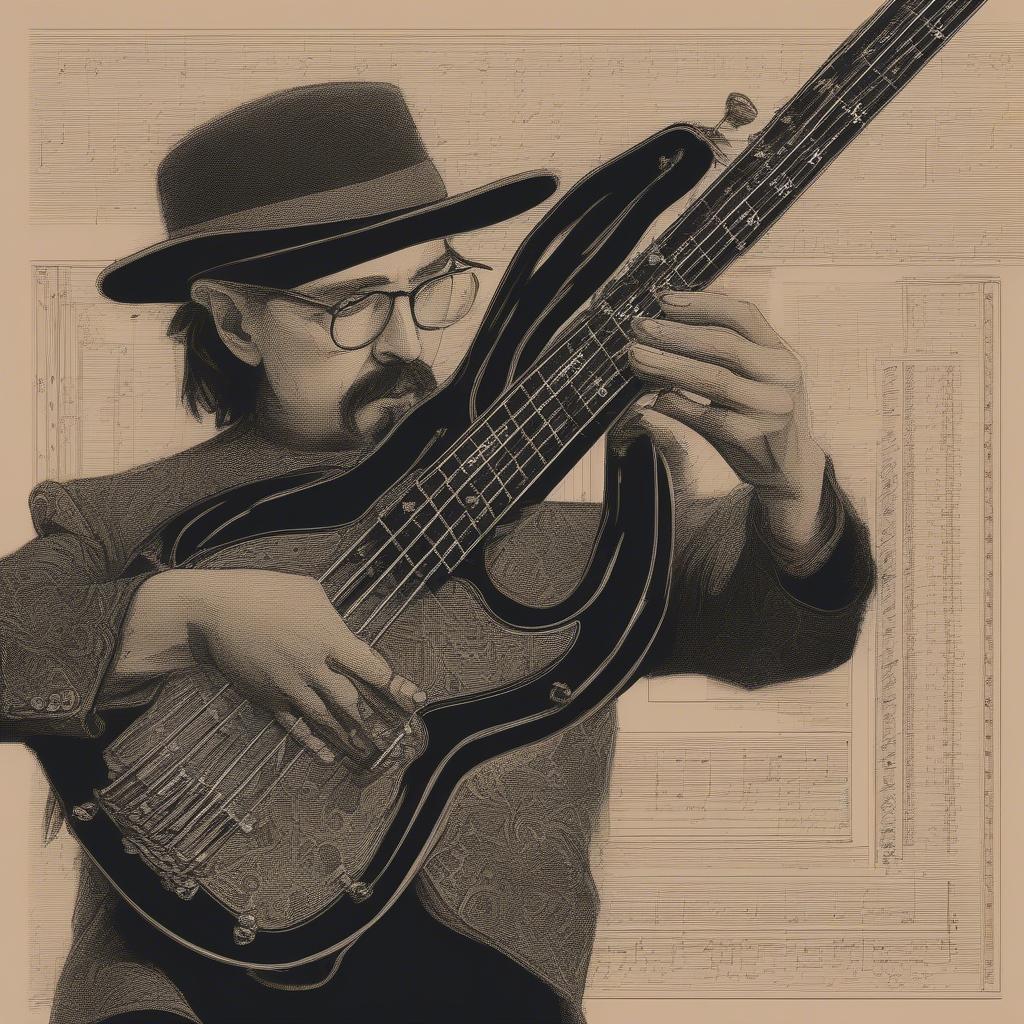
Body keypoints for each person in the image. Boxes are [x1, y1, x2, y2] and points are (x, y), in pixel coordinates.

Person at [0, 82, 875, 1024]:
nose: (409, 341)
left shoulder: (566, 525)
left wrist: (793, 490)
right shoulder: (117, 516)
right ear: (234, 321)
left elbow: (779, 634)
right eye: (352, 307)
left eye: (432, 285)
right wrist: (197, 616)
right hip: (174, 999)